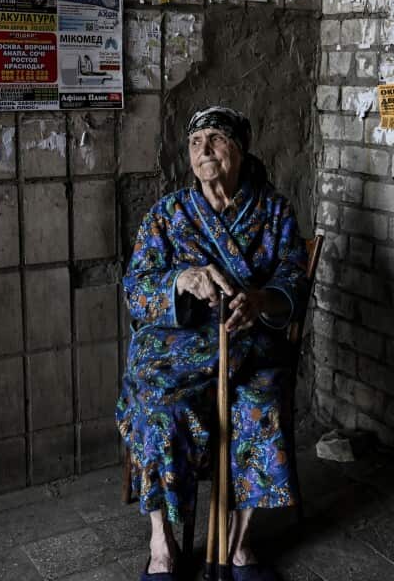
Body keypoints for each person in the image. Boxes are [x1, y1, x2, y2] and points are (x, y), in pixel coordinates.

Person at [116, 107, 309, 581]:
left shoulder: (274, 211)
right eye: (195, 140)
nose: (203, 150)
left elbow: (292, 279)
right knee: (161, 408)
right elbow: (135, 287)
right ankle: (162, 543)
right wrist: (182, 278)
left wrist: (259, 300)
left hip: (246, 345)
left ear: (240, 150)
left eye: (216, 139)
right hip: (177, 347)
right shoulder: (168, 214)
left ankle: (238, 544)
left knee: (260, 402)